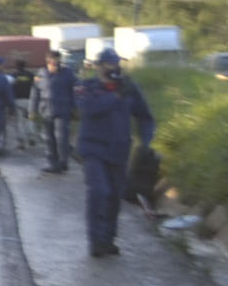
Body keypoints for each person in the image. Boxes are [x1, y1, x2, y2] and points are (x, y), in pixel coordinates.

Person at [75, 47, 156, 256]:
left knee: (114, 197)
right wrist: (115, 96)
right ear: (99, 66)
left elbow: (145, 116)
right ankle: (95, 241)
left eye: (116, 63)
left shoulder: (129, 88)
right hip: (93, 148)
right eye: (110, 64)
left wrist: (145, 141)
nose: (115, 68)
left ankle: (108, 240)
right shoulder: (87, 87)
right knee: (99, 191)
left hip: (119, 150)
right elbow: (88, 109)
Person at [39, 51, 77, 174]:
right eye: (53, 63)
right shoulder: (41, 74)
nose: (55, 66)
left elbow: (75, 91)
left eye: (57, 63)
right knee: (49, 139)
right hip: (46, 111)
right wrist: (32, 110)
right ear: (48, 62)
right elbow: (35, 92)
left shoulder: (68, 73)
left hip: (63, 110)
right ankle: (52, 164)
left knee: (61, 138)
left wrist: (75, 108)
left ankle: (63, 161)